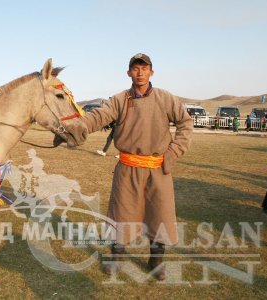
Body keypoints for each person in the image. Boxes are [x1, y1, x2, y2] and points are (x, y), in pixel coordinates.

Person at [82, 53, 193, 280]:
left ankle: (156, 261)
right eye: (135, 68)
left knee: (159, 214)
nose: (140, 72)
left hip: (158, 168)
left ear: (152, 71)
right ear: (128, 72)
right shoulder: (120, 99)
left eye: (144, 68)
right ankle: (117, 257)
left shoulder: (165, 98)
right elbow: (98, 117)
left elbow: (185, 122)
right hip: (128, 167)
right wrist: (77, 126)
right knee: (121, 213)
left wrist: (173, 153)